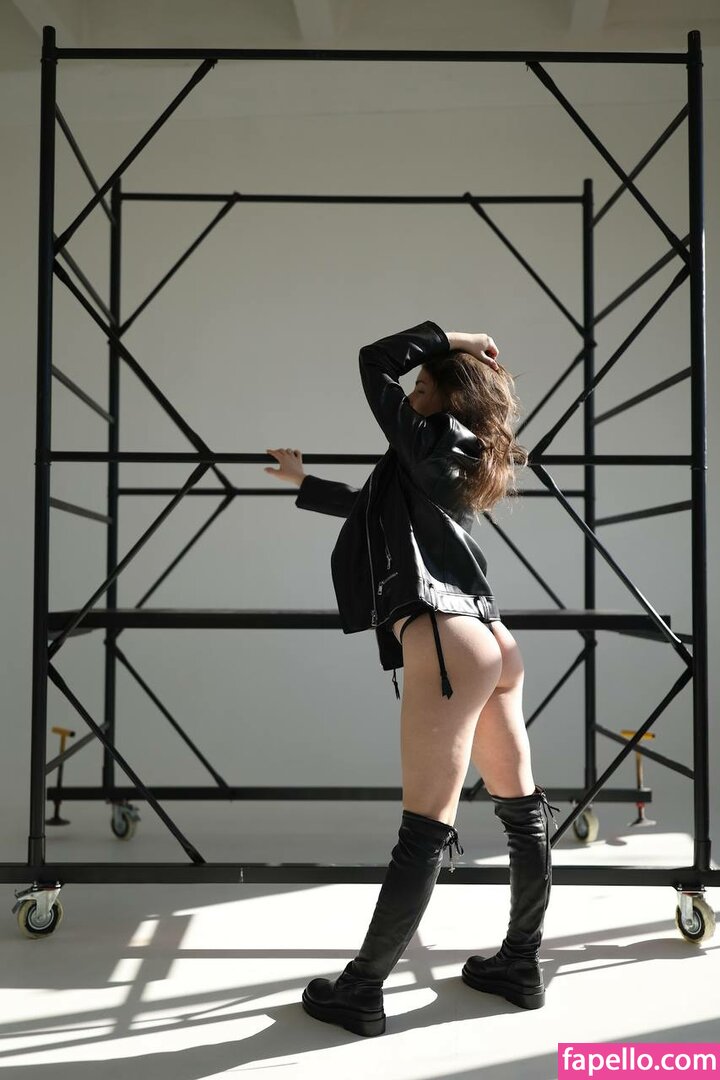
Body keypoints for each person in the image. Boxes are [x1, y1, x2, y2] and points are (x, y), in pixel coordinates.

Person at [265, 320, 557, 1037]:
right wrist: (305, 484)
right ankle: (520, 966)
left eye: (423, 385)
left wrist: (459, 336)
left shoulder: (426, 439)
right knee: (521, 811)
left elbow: (373, 362)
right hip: (492, 638)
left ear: (448, 400)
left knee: (424, 829)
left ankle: (362, 990)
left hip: (446, 637)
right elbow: (376, 510)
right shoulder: (458, 454)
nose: (412, 392)